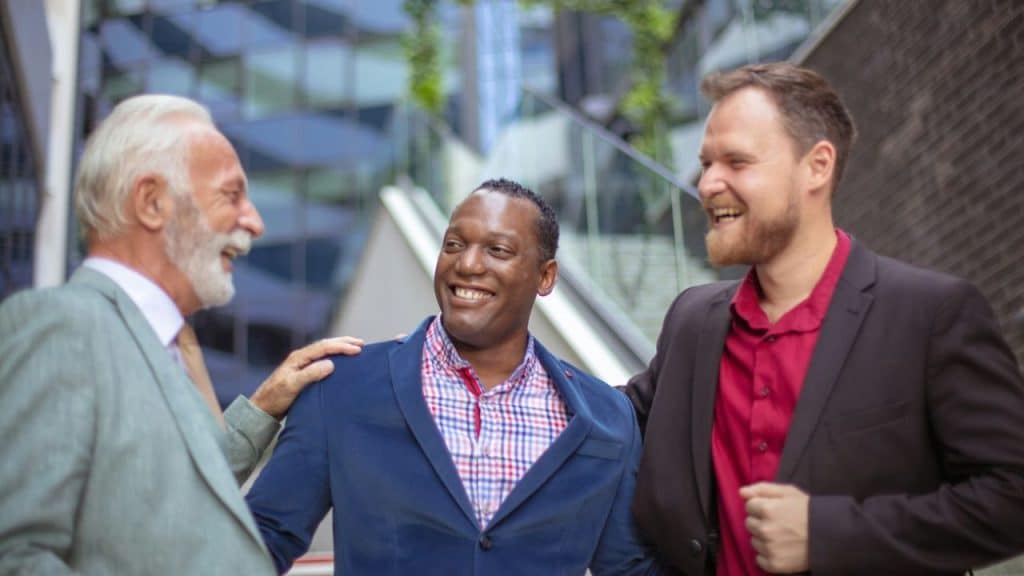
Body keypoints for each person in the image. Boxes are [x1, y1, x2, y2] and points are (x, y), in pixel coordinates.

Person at [624, 62, 1024, 575]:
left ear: (817, 166)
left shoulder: (931, 314)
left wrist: (827, 533)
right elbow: (608, 424)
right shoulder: (691, 321)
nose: (707, 183)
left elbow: (1013, 495)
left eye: (736, 161)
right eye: (705, 163)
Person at [0, 94, 362, 575]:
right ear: (152, 203)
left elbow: (171, 495)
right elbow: (13, 554)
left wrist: (262, 408)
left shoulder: (153, 345)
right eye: (230, 196)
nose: (254, 222)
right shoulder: (62, 327)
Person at [246, 178, 658, 575]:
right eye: (454, 245)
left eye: (498, 249)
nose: (468, 264)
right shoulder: (341, 387)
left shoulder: (608, 417)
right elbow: (258, 543)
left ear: (545, 276)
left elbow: (629, 568)